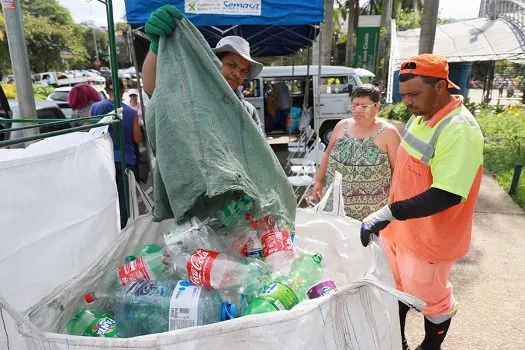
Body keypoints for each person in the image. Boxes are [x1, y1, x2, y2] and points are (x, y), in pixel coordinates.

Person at [360, 54, 484, 350]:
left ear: (441, 87)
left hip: (430, 239)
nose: (407, 102)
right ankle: (397, 340)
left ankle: (430, 345)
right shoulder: (421, 116)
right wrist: (388, 216)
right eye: (404, 95)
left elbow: (447, 193)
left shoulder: (458, 129)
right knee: (397, 289)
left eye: (415, 94)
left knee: (432, 300)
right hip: (401, 231)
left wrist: (390, 211)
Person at [141, 5, 263, 132]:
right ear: (214, 64)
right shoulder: (191, 98)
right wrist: (155, 48)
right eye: (232, 65)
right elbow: (153, 90)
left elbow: (259, 149)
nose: (237, 74)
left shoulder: (248, 111)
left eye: (243, 71)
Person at [311, 84, 401, 220]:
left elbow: (398, 171)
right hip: (335, 207)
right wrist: (319, 180)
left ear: (377, 106)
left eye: (364, 106)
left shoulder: (389, 133)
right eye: (354, 105)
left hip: (372, 215)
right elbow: (328, 153)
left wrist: (394, 203)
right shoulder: (341, 126)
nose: (358, 110)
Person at [91, 77, 143, 229]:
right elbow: (137, 138)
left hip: (103, 159)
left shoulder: (96, 108)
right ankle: (124, 232)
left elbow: (92, 133)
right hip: (125, 160)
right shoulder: (131, 112)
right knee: (125, 201)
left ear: (106, 90)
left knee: (107, 200)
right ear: (123, 90)